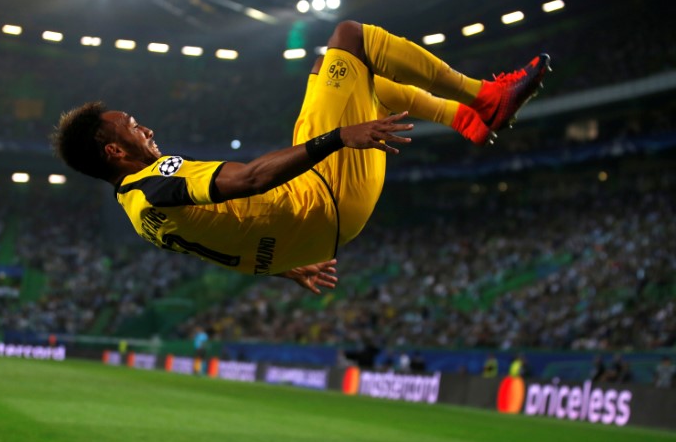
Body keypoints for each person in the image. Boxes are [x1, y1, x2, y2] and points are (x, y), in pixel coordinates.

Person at [53, 21, 549, 293]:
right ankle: (482, 98)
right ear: (116, 150)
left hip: (319, 231)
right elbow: (248, 181)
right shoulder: (159, 177)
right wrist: (338, 138)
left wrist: (289, 267)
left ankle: (463, 120)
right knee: (350, 38)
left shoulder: (138, 212)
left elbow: (220, 241)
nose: (148, 129)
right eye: (133, 127)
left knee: (334, 68)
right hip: (324, 193)